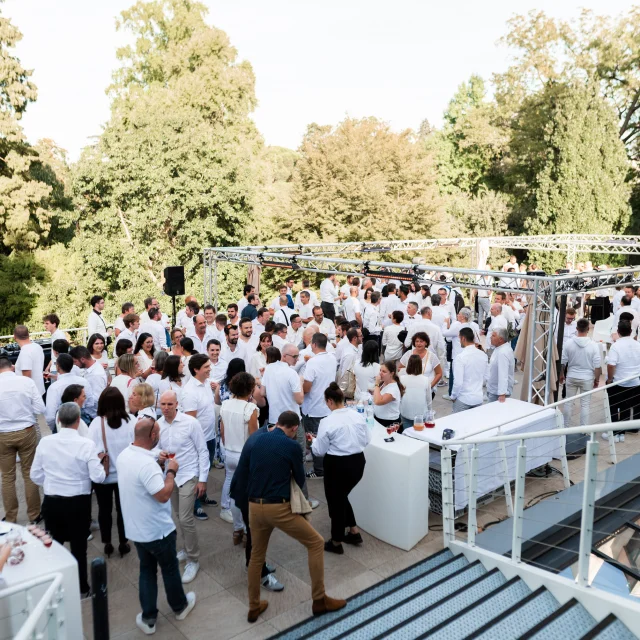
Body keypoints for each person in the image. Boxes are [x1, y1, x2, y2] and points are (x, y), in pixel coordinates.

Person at [238, 410, 346, 622]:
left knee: (257, 555)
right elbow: (299, 477)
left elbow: (248, 469)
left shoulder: (257, 439)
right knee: (315, 543)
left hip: (253, 505)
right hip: (277, 507)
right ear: (295, 428)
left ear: (277, 423)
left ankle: (253, 606)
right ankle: (319, 600)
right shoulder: (292, 446)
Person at [116, 416, 196, 634]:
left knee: (147, 571)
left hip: (136, 528)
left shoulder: (124, 456)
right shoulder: (146, 465)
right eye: (158, 434)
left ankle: (149, 617)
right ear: (152, 435)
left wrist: (158, 461)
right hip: (158, 530)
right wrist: (170, 471)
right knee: (169, 569)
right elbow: (163, 495)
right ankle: (180, 606)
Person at [31, 402, 106, 597]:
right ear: (78, 420)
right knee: (79, 548)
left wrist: (52, 482)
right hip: (77, 503)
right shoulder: (86, 445)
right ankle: (82, 588)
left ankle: (58, 587)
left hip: (52, 501)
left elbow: (35, 475)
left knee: (54, 546)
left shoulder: (45, 443)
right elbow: (98, 477)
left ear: (59, 421)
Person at [157, 390, 209, 584]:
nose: (166, 408)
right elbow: (154, 447)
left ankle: (193, 559)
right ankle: (186, 548)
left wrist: (202, 479)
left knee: (186, 517)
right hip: (170, 476)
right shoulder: (158, 424)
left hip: (188, 474)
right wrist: (158, 455)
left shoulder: (190, 423)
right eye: (163, 404)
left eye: (170, 404)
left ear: (177, 404)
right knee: (178, 515)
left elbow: (202, 450)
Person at [311, 383, 369, 554]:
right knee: (341, 496)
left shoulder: (327, 422)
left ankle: (336, 541)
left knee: (335, 502)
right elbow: (366, 440)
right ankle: (353, 531)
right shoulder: (357, 416)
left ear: (329, 401)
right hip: (358, 463)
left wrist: (313, 441)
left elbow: (319, 451)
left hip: (337, 465)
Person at [88, 388, 135, 559]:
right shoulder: (130, 422)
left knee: (104, 510)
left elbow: (90, 450)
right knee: (123, 510)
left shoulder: (96, 424)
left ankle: (107, 542)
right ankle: (124, 542)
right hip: (125, 476)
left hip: (103, 476)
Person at [0, 357, 44, 524]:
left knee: (7, 477)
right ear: (12, 367)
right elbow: (41, 408)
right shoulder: (26, 382)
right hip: (26, 431)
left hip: (3, 434)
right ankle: (34, 515)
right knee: (29, 473)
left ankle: (11, 517)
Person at [220, 372, 259, 544]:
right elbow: (254, 437)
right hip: (245, 455)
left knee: (233, 490)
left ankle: (237, 529)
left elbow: (222, 432)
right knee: (247, 495)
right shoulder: (250, 409)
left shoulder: (226, 404)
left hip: (229, 451)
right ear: (250, 389)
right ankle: (247, 528)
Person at [183, 354, 218, 520]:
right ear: (196, 369)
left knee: (206, 468)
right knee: (196, 472)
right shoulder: (190, 391)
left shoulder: (205, 384)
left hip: (210, 436)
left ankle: (202, 495)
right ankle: (195, 504)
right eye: (206, 367)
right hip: (199, 440)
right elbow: (190, 421)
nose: (209, 369)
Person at [302, 333, 337, 480]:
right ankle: (326, 465)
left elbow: (307, 387)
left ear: (314, 344)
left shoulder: (313, 362)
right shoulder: (332, 358)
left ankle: (319, 470)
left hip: (313, 407)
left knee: (314, 438)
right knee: (326, 438)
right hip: (327, 405)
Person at [560, 318, 602, 428]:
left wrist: (561, 374)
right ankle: (584, 429)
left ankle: (566, 427)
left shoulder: (568, 343)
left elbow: (563, 362)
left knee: (568, 403)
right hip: (587, 377)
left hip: (572, 376)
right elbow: (597, 366)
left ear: (577, 328)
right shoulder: (593, 345)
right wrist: (597, 379)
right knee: (585, 405)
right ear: (588, 329)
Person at [605, 320, 640, 441]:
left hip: (619, 381)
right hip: (634, 382)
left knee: (614, 407)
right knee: (626, 407)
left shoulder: (616, 346)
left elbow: (611, 365)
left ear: (618, 332)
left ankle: (615, 433)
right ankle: (622, 433)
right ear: (631, 331)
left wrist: (609, 379)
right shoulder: (638, 344)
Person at [45, 353, 88, 432]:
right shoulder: (84, 381)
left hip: (63, 426)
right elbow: (91, 403)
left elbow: (50, 416)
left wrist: (54, 429)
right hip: (84, 420)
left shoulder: (54, 387)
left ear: (57, 367)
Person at [451, 327, 488, 413]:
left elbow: (458, 382)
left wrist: (453, 396)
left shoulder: (460, 357)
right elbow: (486, 377)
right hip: (478, 398)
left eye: (459, 338)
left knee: (458, 424)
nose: (459, 341)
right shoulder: (483, 355)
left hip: (463, 399)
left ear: (463, 338)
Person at [70, 345, 108, 419]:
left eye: (75, 361)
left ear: (83, 359)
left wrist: (80, 400)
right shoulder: (92, 367)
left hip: (92, 415)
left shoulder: (96, 375)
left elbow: (97, 398)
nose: (75, 364)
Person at [399, 355, 432, 431]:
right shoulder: (426, 380)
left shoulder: (402, 379)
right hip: (421, 414)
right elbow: (428, 400)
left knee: (407, 435)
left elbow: (400, 398)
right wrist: (429, 414)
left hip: (406, 413)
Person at [13, 325, 45, 399]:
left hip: (30, 395)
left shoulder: (25, 352)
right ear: (28, 334)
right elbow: (35, 365)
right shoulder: (37, 346)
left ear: (14, 337)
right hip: (39, 390)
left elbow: (27, 378)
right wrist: (16, 367)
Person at [486, 328, 515, 403]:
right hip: (494, 389)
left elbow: (503, 374)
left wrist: (502, 394)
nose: (490, 337)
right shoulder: (499, 348)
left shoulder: (503, 352)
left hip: (497, 393)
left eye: (493, 336)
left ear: (500, 339)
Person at [372, 361, 403, 427]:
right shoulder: (384, 383)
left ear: (391, 374)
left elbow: (378, 401)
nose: (380, 373)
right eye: (380, 370)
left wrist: (376, 384)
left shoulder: (393, 389)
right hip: (379, 419)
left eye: (384, 371)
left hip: (389, 423)